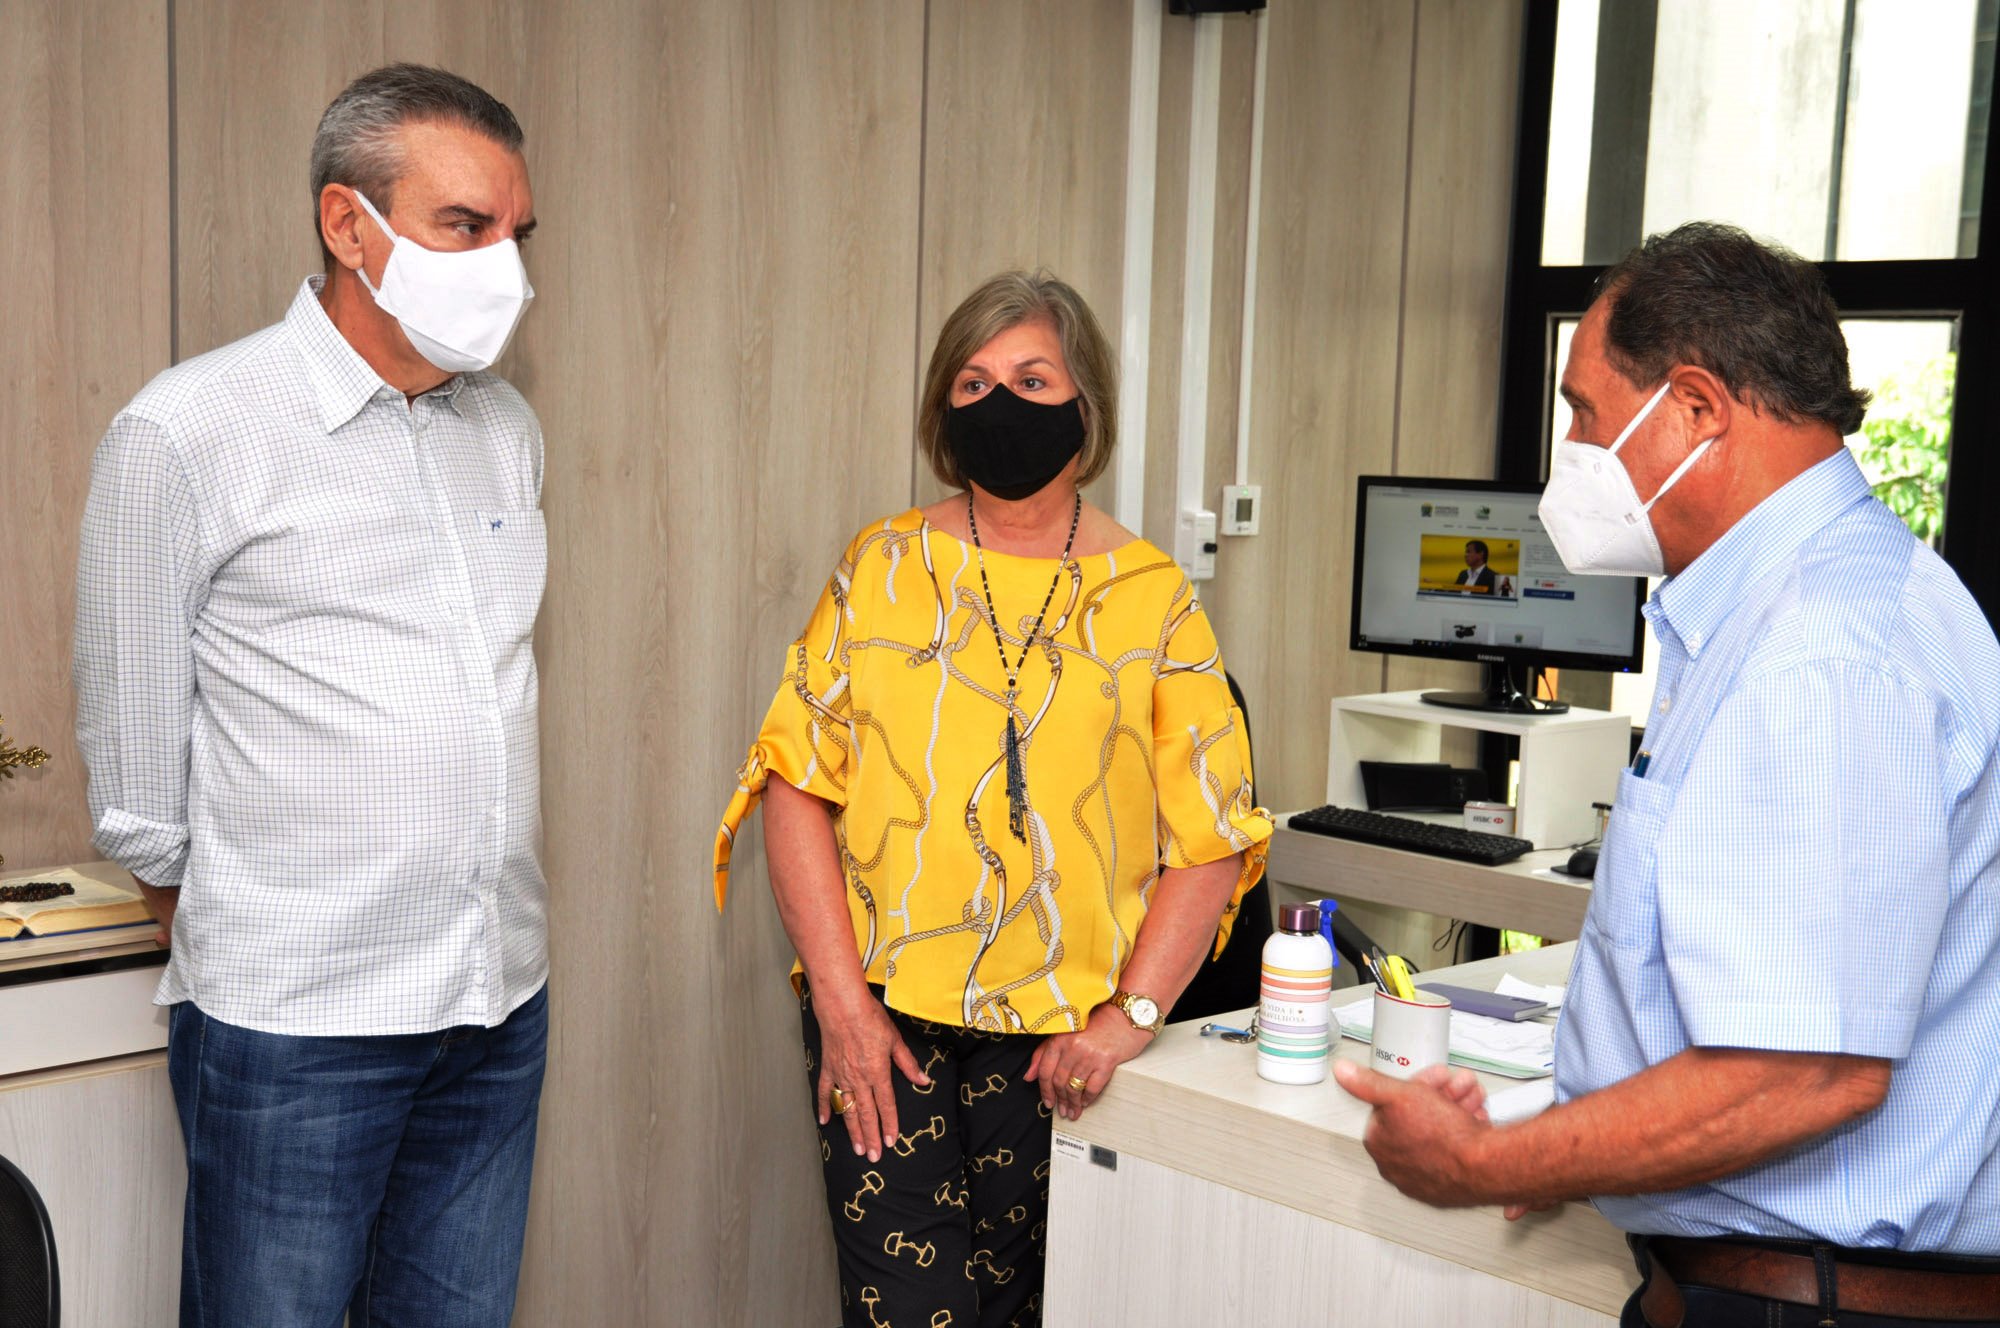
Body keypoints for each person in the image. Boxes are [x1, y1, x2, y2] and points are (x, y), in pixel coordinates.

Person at [1335, 222, 2000, 1327]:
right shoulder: (1801, 608)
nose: (1571, 447)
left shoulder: (1823, 655)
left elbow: (1803, 1070)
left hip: (1810, 1301)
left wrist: (1488, 1162)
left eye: (1584, 413)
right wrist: (1573, 1140)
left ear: (1694, 407)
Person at [74, 65, 549, 1327]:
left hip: (495, 1000)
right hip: (298, 1023)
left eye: (515, 232)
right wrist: (241, 929)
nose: (503, 266)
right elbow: (134, 759)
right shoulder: (186, 430)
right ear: (350, 224)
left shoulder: (505, 427)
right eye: (464, 225)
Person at [715, 269, 1271, 1327]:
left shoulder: (1154, 600)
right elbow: (794, 786)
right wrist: (839, 1002)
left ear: (1085, 404)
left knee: (1030, 1311)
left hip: (1064, 1047)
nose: (999, 402)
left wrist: (1130, 1017)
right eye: (971, 383)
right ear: (941, 409)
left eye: (1030, 377)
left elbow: (1211, 839)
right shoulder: (879, 567)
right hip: (881, 1024)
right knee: (910, 1311)